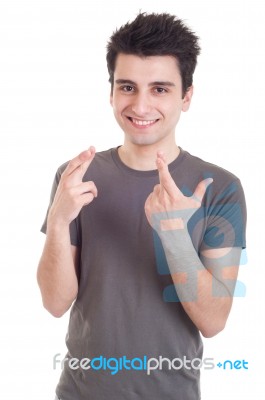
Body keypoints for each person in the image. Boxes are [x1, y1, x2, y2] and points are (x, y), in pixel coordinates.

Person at [37, 12, 247, 400]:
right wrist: (58, 219)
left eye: (161, 89)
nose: (141, 104)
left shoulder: (220, 189)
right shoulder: (74, 177)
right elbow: (54, 302)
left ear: (186, 96)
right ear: (111, 92)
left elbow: (214, 320)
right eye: (128, 87)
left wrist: (175, 236)